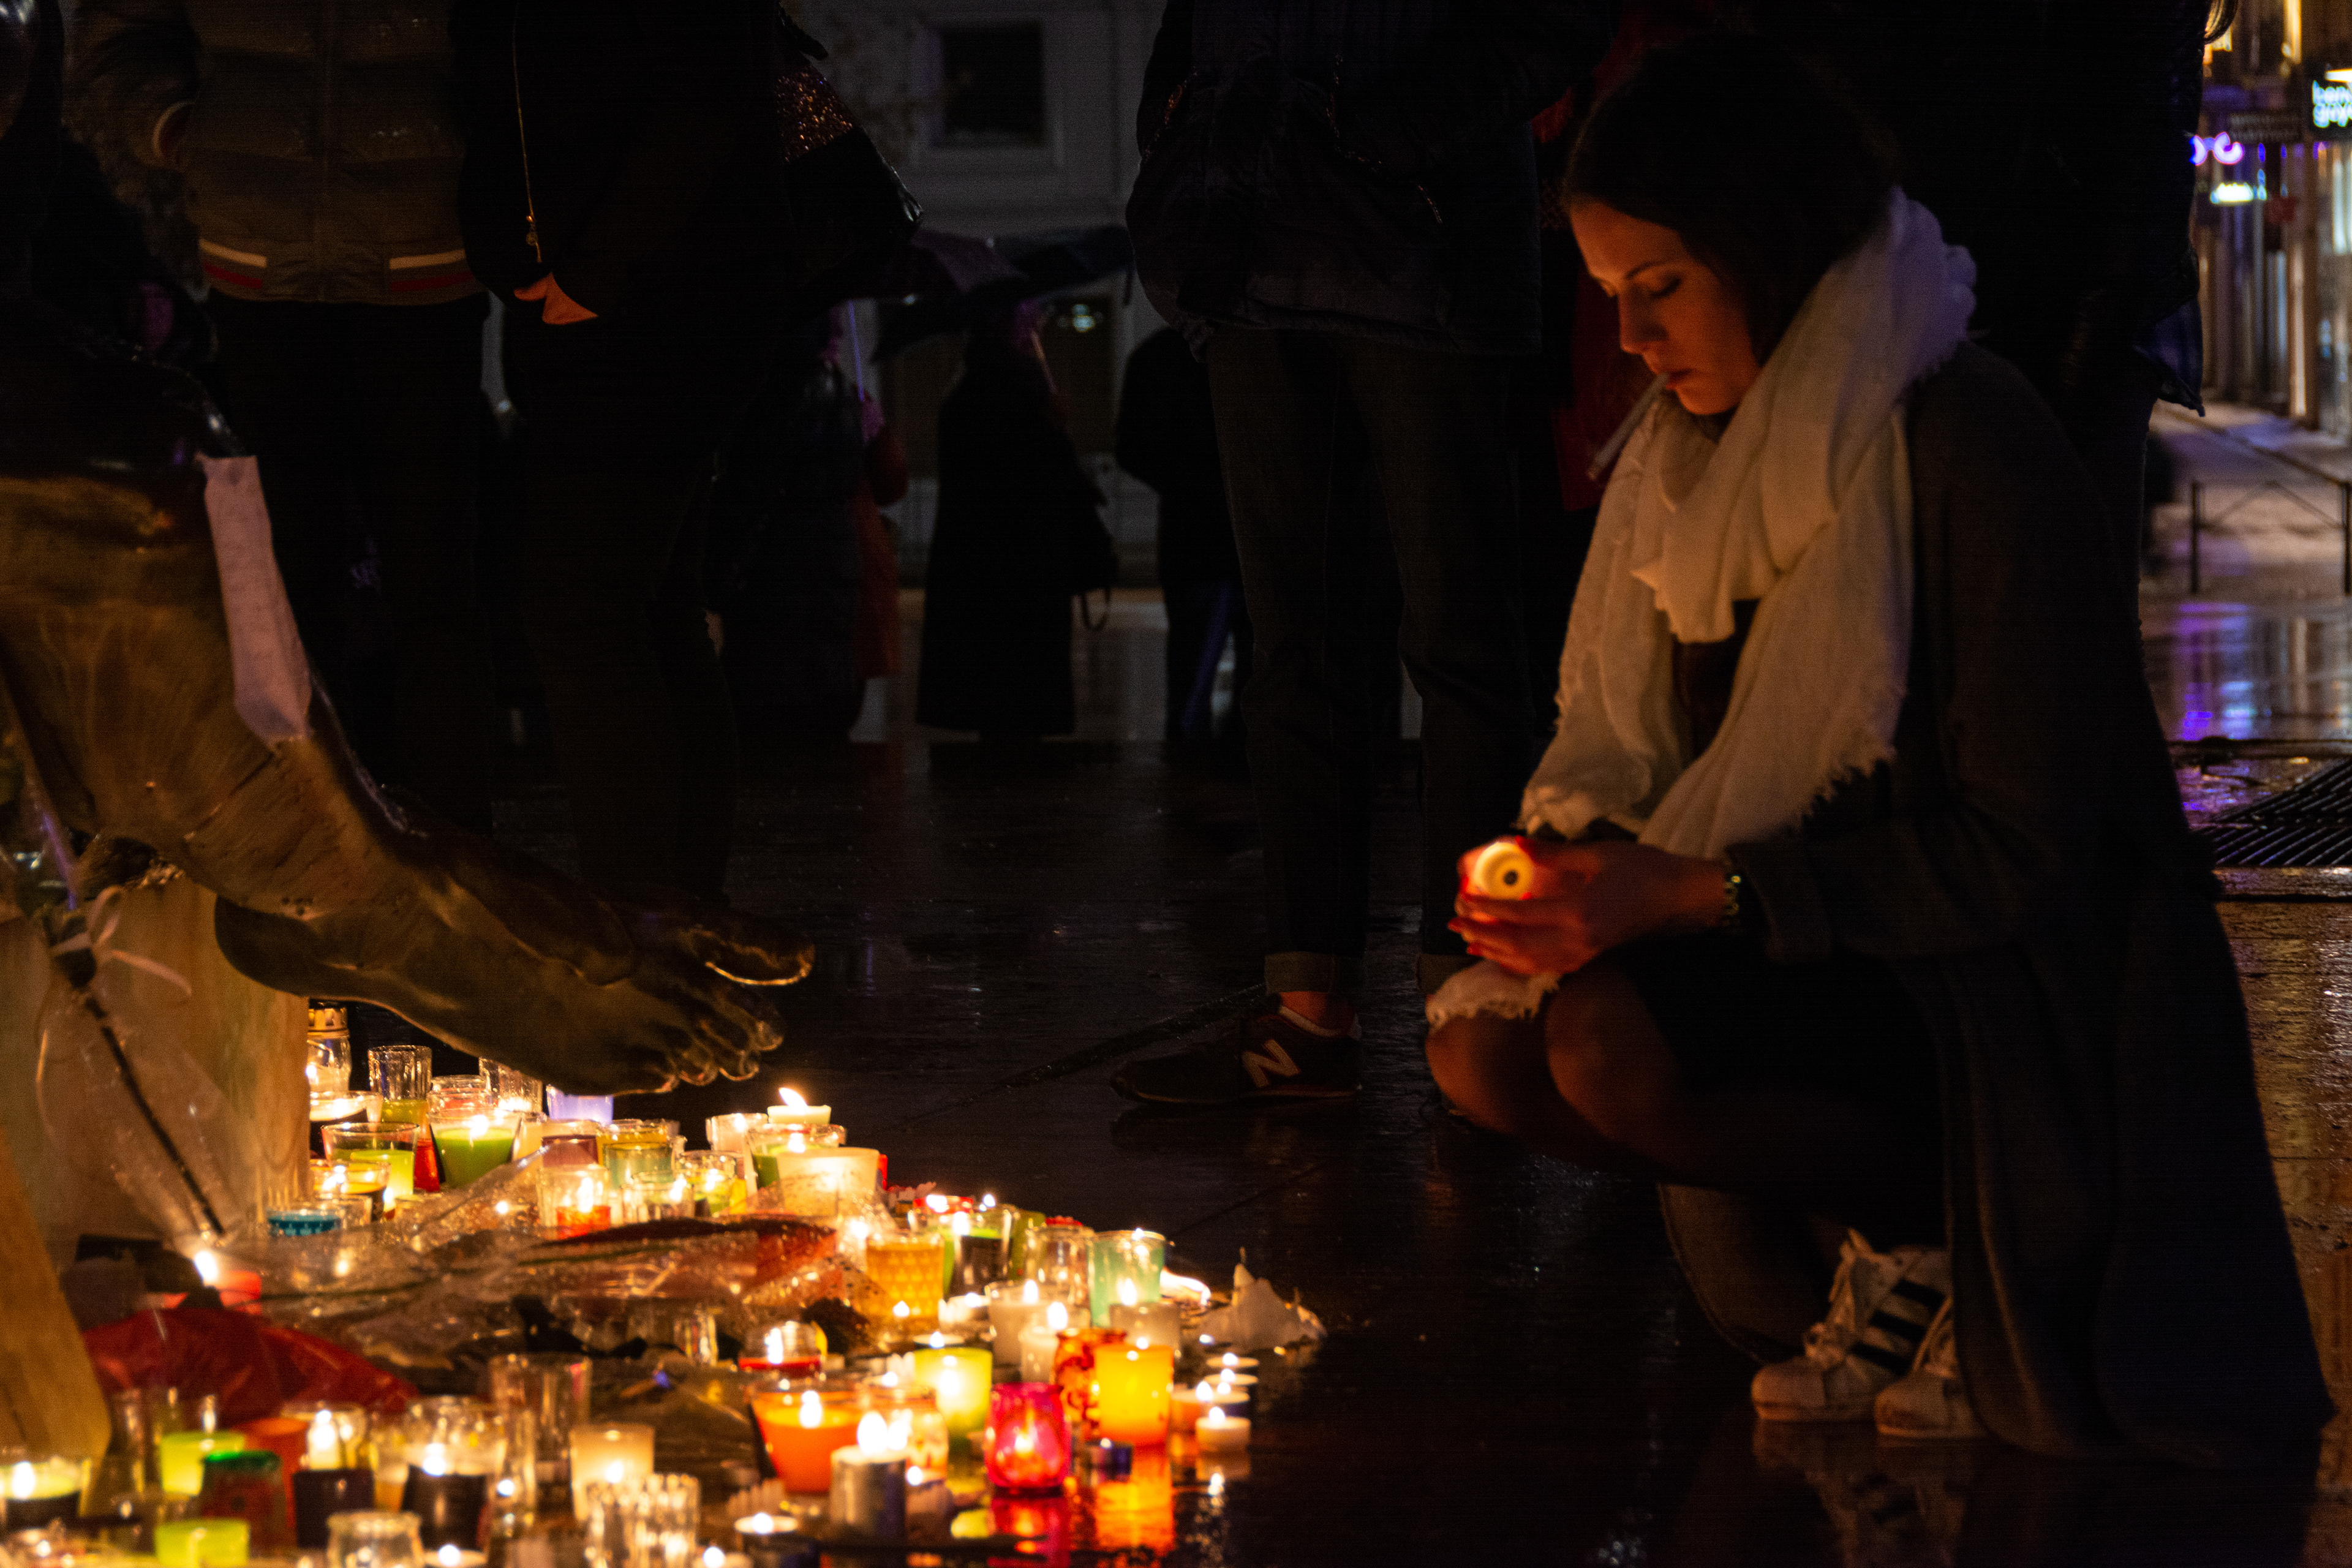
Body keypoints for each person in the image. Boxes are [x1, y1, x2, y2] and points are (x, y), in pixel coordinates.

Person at [1423, 37, 2327, 1465]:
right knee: (1485, 1046)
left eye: (1659, 289)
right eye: (1610, 304)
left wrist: (1682, 894)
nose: (1636, 347)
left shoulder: (1966, 439)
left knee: (1607, 1041)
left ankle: (1970, 1238)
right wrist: (1571, 868)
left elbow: (2027, 854)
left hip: (2010, 994)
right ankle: (1906, 1231)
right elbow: (1654, 764)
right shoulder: (1683, 465)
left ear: (1765, 245)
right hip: (1826, 954)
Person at [1114, 0, 1616, 1106]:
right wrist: (1182, 104)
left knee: (1457, 641)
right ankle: (1324, 1006)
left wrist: (1395, 129)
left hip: (1420, 251)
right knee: (1309, 644)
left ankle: (1464, 994)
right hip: (1267, 245)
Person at [71, 0, 498, 832]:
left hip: (423, 252)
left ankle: (450, 849)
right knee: (274, 579)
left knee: (435, 576)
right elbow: (117, 36)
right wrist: (179, 128)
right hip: (259, 257)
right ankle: (295, 837)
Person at [450, 0, 796, 900]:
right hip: (641, 298)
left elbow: (700, 99)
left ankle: (641, 929)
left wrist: (595, 268)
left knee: (585, 612)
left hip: (649, 305)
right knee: (645, 610)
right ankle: (676, 913)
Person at [710, 308, 908, 742]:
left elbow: (750, 487)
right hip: (838, 564)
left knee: (772, 713)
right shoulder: (846, 399)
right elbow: (891, 482)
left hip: (779, 571)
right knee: (825, 705)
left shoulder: (767, 397)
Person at [915, 302, 1108, 742]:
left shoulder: (969, 393)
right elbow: (1031, 478)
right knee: (1020, 697)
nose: (1037, 330)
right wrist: (1057, 436)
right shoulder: (1017, 394)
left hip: (984, 567)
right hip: (1022, 567)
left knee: (999, 702)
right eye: (1029, 324)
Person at [1115, 325, 1251, 750]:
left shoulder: (1158, 357)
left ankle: (1191, 759)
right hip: (1237, 536)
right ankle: (1236, 757)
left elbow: (1135, 449)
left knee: (1195, 668)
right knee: (1259, 670)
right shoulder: (1251, 352)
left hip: (1196, 534)